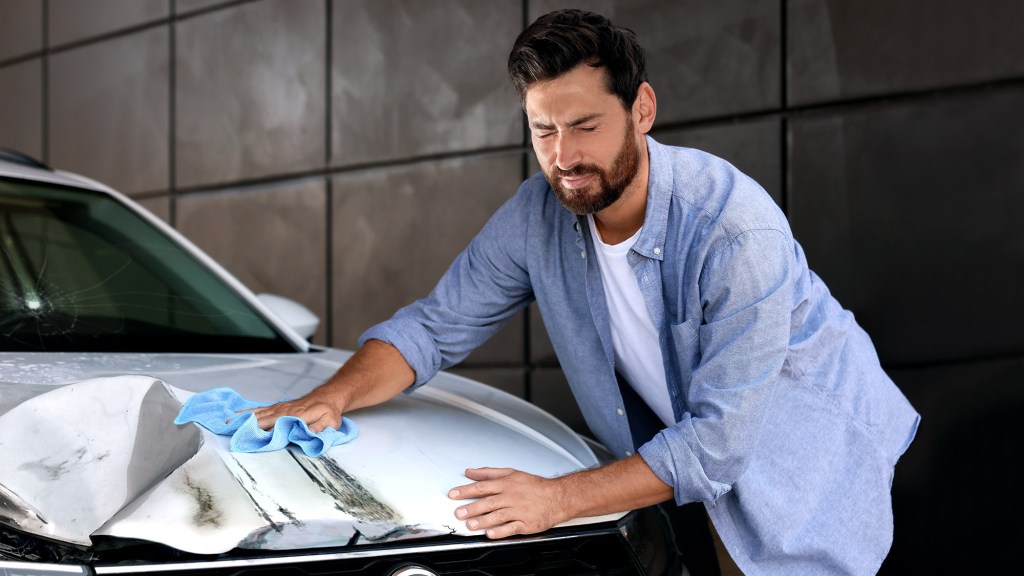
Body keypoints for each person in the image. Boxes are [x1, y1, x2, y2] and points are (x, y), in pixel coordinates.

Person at [253, 9, 919, 575]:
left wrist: (557, 499)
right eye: (544, 129)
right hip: (691, 458)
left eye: (586, 125)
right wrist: (328, 397)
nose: (564, 155)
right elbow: (434, 326)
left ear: (643, 110)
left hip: (803, 453)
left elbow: (718, 447)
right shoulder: (536, 214)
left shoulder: (733, 231)